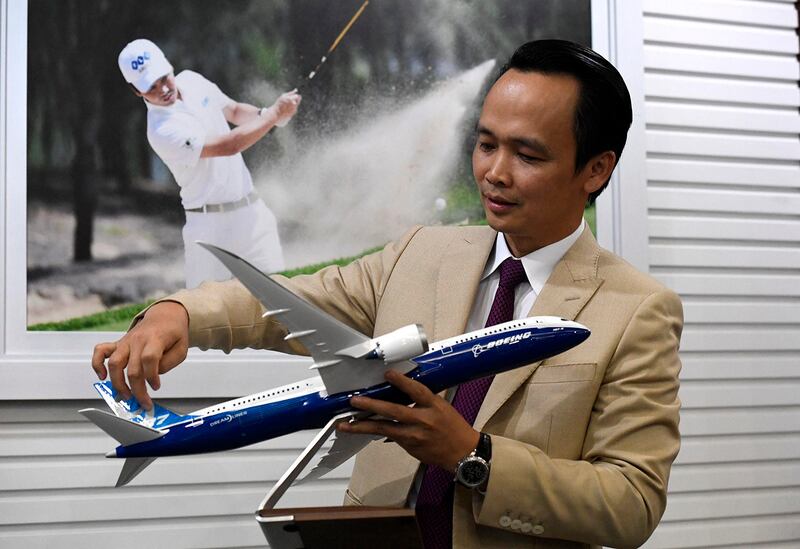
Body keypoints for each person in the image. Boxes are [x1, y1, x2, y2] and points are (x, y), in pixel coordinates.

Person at [94, 40, 682, 548]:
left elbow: (630, 505)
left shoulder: (635, 310)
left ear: (597, 170)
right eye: (485, 144)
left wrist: (472, 457)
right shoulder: (419, 253)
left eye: (527, 155)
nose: (495, 173)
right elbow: (281, 304)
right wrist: (177, 313)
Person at [117, 39, 301, 288]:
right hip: (208, 230)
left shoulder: (192, 80)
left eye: (163, 78)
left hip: (252, 215)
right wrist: (273, 116)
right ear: (136, 91)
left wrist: (267, 114)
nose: (162, 89)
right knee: (208, 320)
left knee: (280, 303)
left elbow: (234, 111)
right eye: (150, 86)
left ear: (169, 66)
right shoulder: (161, 130)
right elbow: (228, 146)